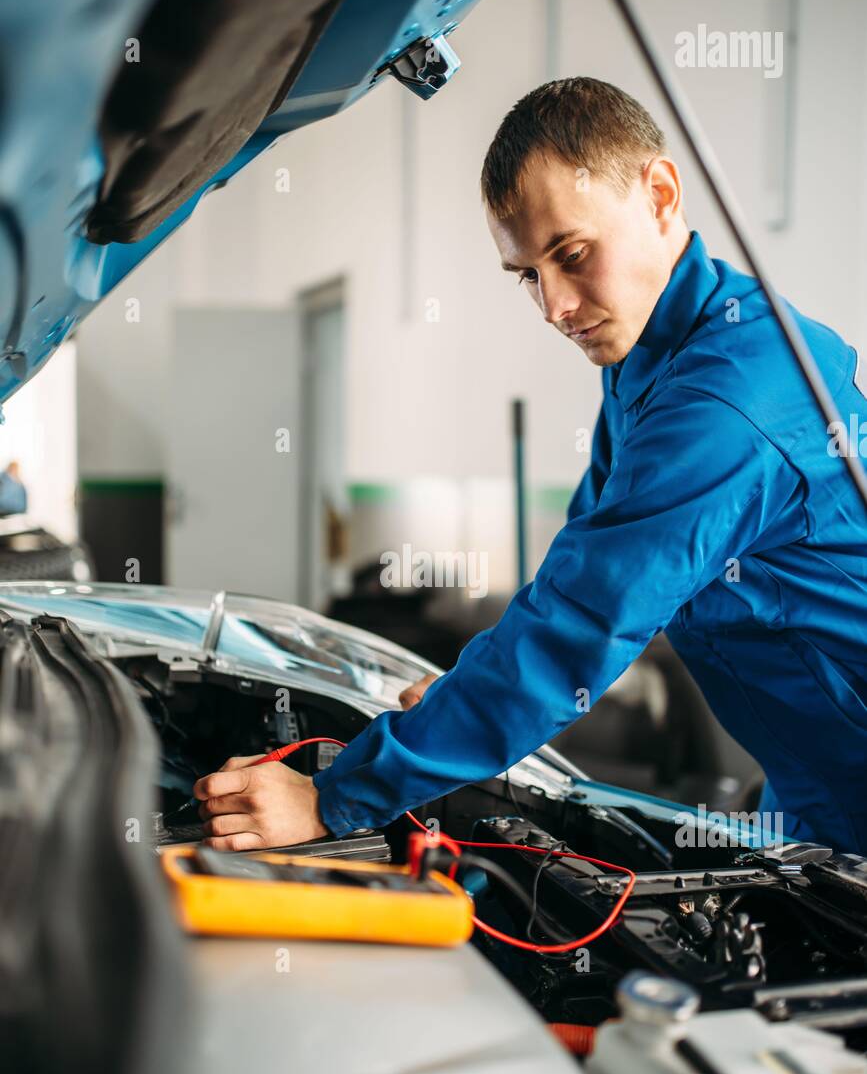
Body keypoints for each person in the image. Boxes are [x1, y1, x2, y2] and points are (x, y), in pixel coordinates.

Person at [193, 77, 867, 857]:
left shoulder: (728, 399)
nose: (553, 306)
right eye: (526, 275)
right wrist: (461, 695)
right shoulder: (655, 358)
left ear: (659, 194)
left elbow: (581, 622)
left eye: (571, 255)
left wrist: (335, 797)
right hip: (811, 771)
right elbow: (581, 557)